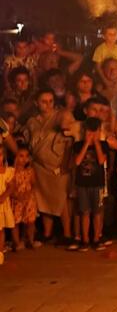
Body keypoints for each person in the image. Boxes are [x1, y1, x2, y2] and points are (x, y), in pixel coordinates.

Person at [25, 89, 72, 245]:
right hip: (39, 166)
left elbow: (69, 141)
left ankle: (67, 233)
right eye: (44, 101)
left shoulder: (60, 116)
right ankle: (47, 232)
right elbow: (27, 141)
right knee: (43, 198)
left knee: (61, 199)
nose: (48, 104)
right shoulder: (32, 121)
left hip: (57, 165)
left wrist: (65, 164)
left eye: (51, 101)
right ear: (36, 103)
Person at [70, 116, 109, 251]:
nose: (91, 135)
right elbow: (77, 161)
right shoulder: (78, 145)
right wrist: (86, 144)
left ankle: (96, 238)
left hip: (97, 184)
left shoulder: (104, 145)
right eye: (89, 132)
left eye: (95, 132)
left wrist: (97, 143)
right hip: (82, 184)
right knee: (84, 212)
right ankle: (85, 239)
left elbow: (100, 160)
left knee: (97, 212)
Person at [10, 145, 39, 250]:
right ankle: (16, 243)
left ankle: (30, 240)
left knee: (30, 221)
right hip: (16, 198)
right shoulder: (11, 171)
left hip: (28, 198)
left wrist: (28, 193)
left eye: (26, 156)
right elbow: (10, 185)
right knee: (15, 222)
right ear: (16, 157)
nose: (24, 159)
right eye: (21, 156)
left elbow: (34, 184)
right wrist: (16, 195)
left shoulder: (30, 170)